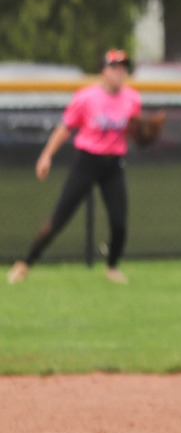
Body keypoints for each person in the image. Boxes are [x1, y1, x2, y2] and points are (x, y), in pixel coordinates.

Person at [9, 49, 146, 285]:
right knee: (59, 219)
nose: (119, 73)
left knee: (119, 222)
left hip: (113, 165)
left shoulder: (133, 99)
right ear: (103, 71)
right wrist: (46, 155)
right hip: (87, 161)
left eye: (123, 68)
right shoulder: (86, 98)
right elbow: (65, 128)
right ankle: (25, 263)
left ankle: (112, 267)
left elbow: (132, 131)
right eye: (113, 68)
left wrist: (143, 135)